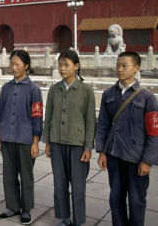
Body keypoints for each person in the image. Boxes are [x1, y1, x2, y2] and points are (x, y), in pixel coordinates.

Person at [95, 51, 158, 226]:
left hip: (136, 158)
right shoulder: (109, 94)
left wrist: (148, 160)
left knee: (136, 200)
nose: (120, 69)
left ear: (136, 68)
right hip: (114, 155)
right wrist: (102, 151)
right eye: (118, 65)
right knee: (115, 198)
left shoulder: (147, 97)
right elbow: (102, 125)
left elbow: (154, 132)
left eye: (125, 65)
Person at [43, 50, 96, 226]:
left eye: (66, 65)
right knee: (60, 184)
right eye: (60, 65)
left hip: (77, 145)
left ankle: (78, 220)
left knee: (78, 186)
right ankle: (64, 218)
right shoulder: (54, 89)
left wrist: (88, 147)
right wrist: (48, 141)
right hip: (57, 143)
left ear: (76, 67)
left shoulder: (86, 91)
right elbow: (48, 117)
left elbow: (90, 121)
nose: (62, 68)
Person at [0, 50, 43, 225]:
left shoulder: (34, 89)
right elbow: (0, 114)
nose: (13, 67)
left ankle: (26, 209)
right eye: (11, 64)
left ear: (26, 66)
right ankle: (12, 207)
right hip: (7, 137)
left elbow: (37, 117)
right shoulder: (6, 88)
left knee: (26, 176)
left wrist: (35, 142)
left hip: (25, 140)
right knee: (9, 175)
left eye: (17, 64)